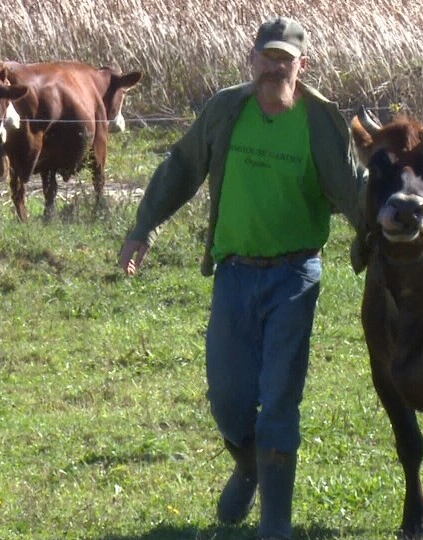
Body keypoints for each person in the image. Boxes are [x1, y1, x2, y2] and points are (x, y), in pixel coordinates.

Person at [117, 15, 368, 540]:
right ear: (250, 59)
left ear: (303, 65)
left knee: (279, 398)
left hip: (294, 277)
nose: (275, 66)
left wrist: (400, 226)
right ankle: (250, 466)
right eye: (267, 56)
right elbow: (182, 167)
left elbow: (353, 191)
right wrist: (142, 227)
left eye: (286, 59)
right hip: (233, 275)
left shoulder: (321, 121)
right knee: (228, 402)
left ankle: (275, 523)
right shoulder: (225, 110)